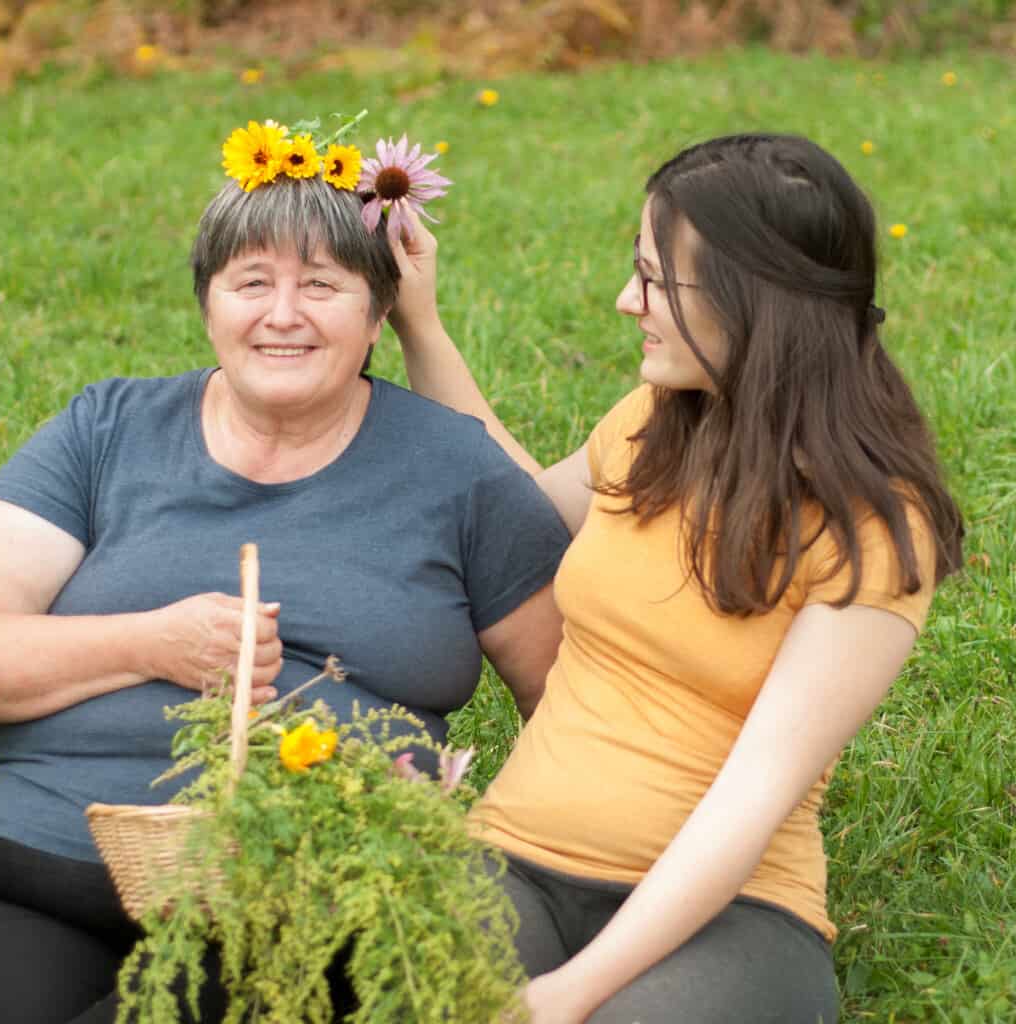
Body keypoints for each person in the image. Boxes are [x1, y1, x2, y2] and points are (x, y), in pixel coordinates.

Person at [0, 123, 568, 1024]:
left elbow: (570, 707)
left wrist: (448, 846)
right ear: (208, 305)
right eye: (251, 282)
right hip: (51, 864)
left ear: (378, 314)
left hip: (302, 896)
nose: (282, 314)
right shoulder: (108, 431)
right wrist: (153, 644)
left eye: (322, 286)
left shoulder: (459, 472)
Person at [385, 132, 965, 1023]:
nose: (628, 302)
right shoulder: (656, 422)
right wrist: (418, 323)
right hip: (514, 862)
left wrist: (565, 998)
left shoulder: (875, 526)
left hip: (733, 914)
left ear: (755, 300)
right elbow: (514, 511)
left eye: (657, 280)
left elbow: (758, 788)